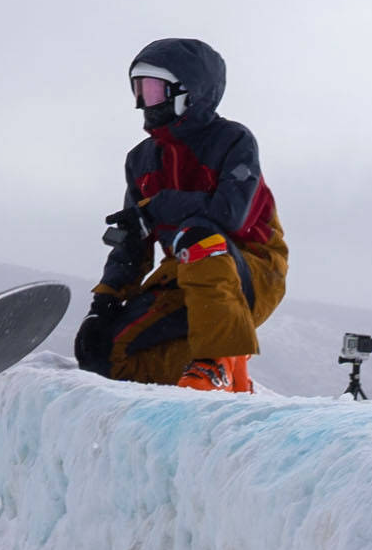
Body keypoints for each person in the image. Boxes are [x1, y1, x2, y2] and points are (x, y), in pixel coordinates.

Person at [74, 39, 290, 391]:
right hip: (182, 274)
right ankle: (212, 379)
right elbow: (133, 240)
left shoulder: (232, 141)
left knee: (200, 234)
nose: (145, 102)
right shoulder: (141, 160)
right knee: (104, 355)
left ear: (190, 92)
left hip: (251, 270)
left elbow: (230, 215)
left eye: (155, 90)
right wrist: (106, 301)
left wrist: (156, 208)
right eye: (140, 90)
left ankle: (218, 361)